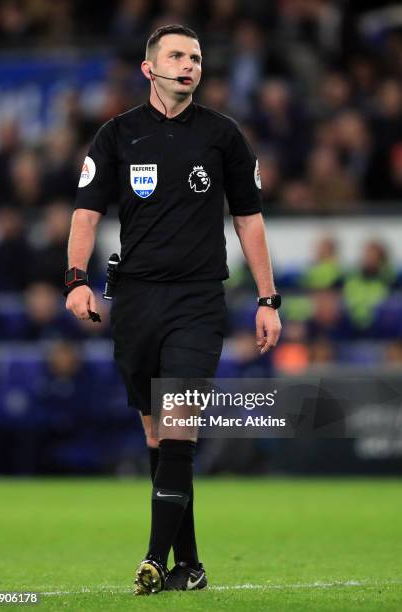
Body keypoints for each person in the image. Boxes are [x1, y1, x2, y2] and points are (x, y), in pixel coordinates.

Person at [64, 24, 281, 595]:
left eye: (197, 57)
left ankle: (154, 560)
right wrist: (75, 280)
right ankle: (190, 564)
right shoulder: (116, 136)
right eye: (178, 56)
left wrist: (267, 298)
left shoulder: (224, 136)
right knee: (159, 438)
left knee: (180, 424)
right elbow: (85, 213)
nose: (190, 65)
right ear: (149, 68)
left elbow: (249, 219)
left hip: (198, 300)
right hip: (135, 298)